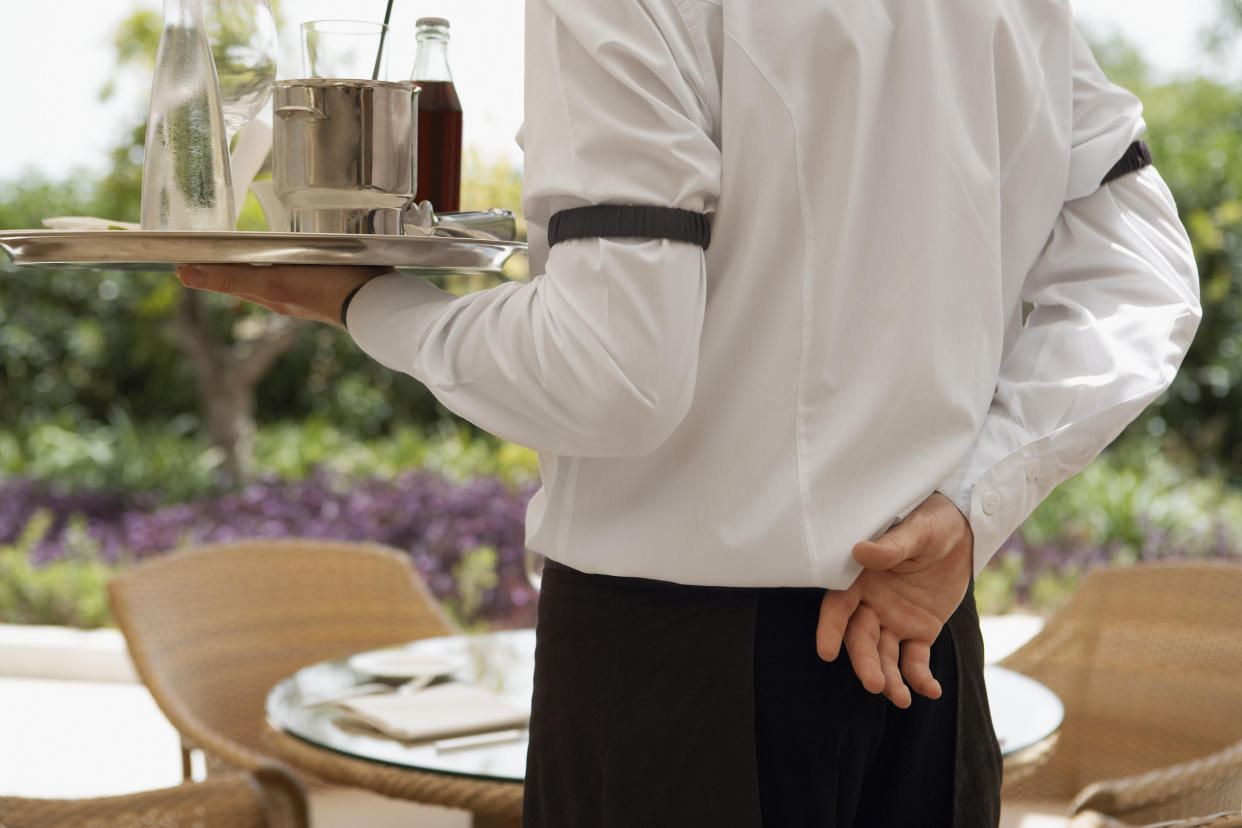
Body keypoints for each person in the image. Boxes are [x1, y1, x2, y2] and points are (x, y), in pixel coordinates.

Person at [177, 0, 1201, 824]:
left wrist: (371, 303)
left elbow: (613, 375)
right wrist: (973, 506)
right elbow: (1147, 282)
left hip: (679, 688)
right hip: (924, 662)